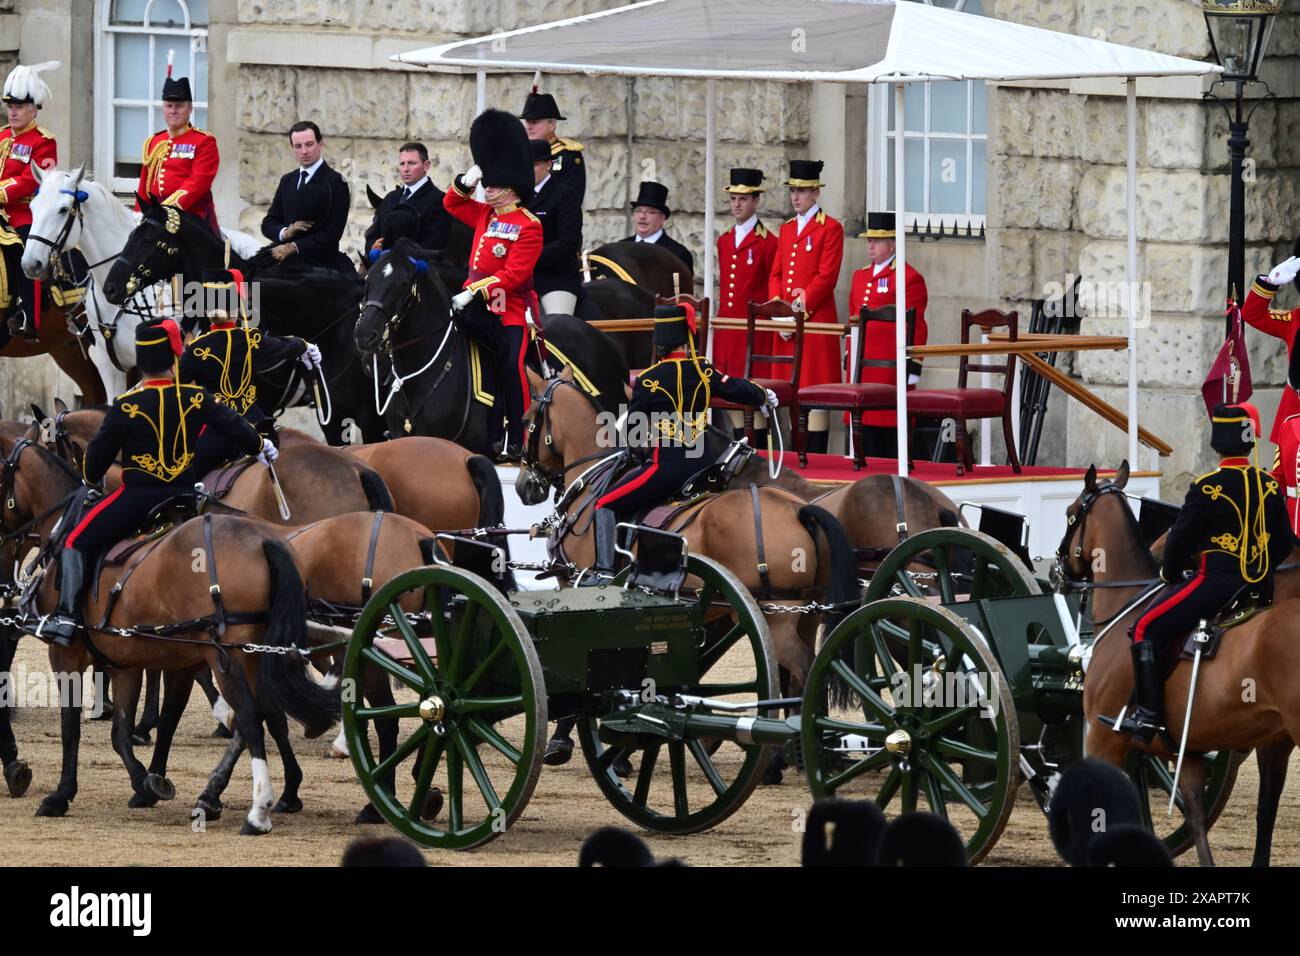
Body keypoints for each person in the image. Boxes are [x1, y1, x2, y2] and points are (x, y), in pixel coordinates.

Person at [30, 318, 268, 646]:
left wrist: (88, 475)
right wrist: (261, 446)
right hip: (186, 496)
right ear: (173, 358)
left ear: (141, 363)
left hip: (138, 499)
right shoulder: (196, 398)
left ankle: (67, 618)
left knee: (75, 541)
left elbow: (96, 461)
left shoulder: (127, 406)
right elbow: (238, 427)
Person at [1112, 403, 1293, 743]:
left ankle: (1149, 717)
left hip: (1216, 585)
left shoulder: (1208, 486)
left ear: (1217, 445)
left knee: (1145, 628)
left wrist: (1169, 572)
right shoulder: (1268, 485)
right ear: (1249, 443)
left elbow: (1180, 540)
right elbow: (1284, 541)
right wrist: (1260, 566)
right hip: (1258, 590)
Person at [587, 303, 777, 579]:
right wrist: (763, 395)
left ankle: (603, 573)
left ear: (660, 342)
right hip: (705, 466)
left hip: (666, 469)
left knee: (604, 504)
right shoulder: (703, 371)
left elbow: (632, 431)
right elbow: (738, 388)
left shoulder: (648, 379)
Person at [444, 108, 543, 459]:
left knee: (511, 366)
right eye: (486, 184)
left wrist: (475, 290)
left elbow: (514, 276)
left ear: (511, 187)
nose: (487, 190)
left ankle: (519, 435)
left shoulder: (528, 225)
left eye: (492, 185)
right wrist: (465, 181)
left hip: (506, 310)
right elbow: (451, 204)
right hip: (471, 306)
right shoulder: (486, 213)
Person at [179, 268, 318, 470]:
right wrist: (305, 345)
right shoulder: (251, 338)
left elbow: (177, 391)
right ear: (236, 312)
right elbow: (286, 346)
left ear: (208, 313)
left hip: (219, 433)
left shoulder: (195, 350)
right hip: (259, 426)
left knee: (186, 477)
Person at [767, 159, 845, 454]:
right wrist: (778, 313)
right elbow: (776, 273)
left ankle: (815, 459)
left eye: (802, 191)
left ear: (815, 193)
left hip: (813, 323)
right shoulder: (786, 230)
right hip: (787, 325)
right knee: (789, 393)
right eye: (793, 191)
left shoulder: (830, 228)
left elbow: (826, 278)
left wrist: (796, 314)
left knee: (815, 394)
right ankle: (792, 457)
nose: (796, 197)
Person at [847, 211, 929, 458]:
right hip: (863, 366)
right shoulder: (860, 276)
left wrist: (913, 365)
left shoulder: (908, 277)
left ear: (892, 244)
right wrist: (849, 355)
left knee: (888, 431)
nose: (870, 245)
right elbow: (853, 319)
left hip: (889, 369)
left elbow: (917, 324)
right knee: (863, 430)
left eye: (877, 240)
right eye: (869, 240)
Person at [0, 60, 58, 339]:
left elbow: (30, 179)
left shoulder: (44, 141)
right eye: (10, 106)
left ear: (33, 109)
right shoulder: (1, 137)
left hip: (24, 215)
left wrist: (1, 193)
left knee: (26, 252)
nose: (13, 112)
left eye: (19, 106)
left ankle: (28, 316)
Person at [136, 52, 219, 235]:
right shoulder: (154, 142)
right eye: (169, 106)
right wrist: (138, 214)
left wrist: (166, 209)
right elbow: (144, 185)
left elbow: (198, 183)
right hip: (155, 217)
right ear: (163, 108)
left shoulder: (204, 141)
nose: (173, 111)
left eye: (179, 106)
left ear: (189, 109)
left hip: (190, 216)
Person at [260, 120, 352, 273]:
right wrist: (285, 233)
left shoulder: (336, 181)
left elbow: (333, 232)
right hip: (283, 259)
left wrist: (295, 247)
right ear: (292, 148)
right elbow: (269, 223)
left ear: (320, 143)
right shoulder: (287, 180)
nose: (304, 151)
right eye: (298, 146)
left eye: (309, 144)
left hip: (321, 263)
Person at [714, 167, 778, 378]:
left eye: (743, 199)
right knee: (724, 388)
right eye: (733, 198)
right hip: (726, 328)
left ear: (756, 201)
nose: (736, 204)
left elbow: (772, 286)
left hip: (753, 330)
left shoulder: (769, 243)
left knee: (751, 388)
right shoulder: (724, 240)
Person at [364, 141, 453, 253]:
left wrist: (395, 257)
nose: (405, 169)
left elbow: (434, 246)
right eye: (402, 164)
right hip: (381, 267)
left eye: (411, 163)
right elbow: (372, 235)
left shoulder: (439, 200)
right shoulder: (390, 198)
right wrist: (372, 246)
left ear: (426, 165)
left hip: (415, 268)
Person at [527, 138, 582, 316]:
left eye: (534, 164)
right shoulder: (517, 196)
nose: (528, 170)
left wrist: (528, 257)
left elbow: (568, 242)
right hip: (521, 277)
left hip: (555, 279)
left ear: (549, 164)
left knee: (558, 324)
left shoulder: (564, 195)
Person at [520, 74, 585, 203]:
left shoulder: (568, 156)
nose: (529, 127)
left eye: (535, 122)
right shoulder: (521, 153)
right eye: (527, 121)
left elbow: (571, 199)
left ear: (552, 124)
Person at [623, 181, 693, 274]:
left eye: (651, 212)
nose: (642, 216)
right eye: (638, 211)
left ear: (663, 218)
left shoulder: (677, 253)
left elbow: (681, 287)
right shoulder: (622, 247)